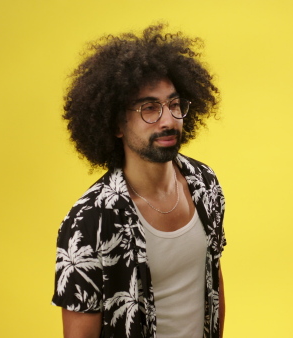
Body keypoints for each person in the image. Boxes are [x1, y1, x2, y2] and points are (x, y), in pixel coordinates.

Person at [51, 24, 226, 338]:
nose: (169, 120)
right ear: (117, 124)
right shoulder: (89, 221)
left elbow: (212, 282)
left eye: (174, 105)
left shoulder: (205, 184)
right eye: (149, 109)